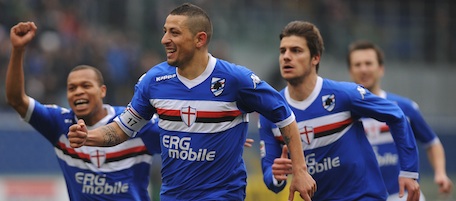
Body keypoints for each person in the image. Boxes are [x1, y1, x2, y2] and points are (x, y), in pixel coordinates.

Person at [67, 3, 316, 201]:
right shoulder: (153, 81)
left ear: (200, 39)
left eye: (174, 32)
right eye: (165, 31)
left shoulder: (235, 80)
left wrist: (301, 170)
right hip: (172, 195)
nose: (165, 39)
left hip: (221, 195)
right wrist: (88, 137)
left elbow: (285, 116)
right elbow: (122, 129)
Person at [259, 20, 421, 201]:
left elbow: (396, 115)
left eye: (296, 51)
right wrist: (276, 175)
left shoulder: (345, 95)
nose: (286, 57)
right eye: (283, 51)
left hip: (363, 196)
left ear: (315, 58)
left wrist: (409, 171)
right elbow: (269, 174)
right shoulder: (271, 112)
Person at [5, 21, 161, 201]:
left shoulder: (133, 122)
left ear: (102, 91)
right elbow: (16, 100)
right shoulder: (58, 123)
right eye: (72, 88)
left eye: (86, 85)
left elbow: (178, 140)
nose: (78, 91)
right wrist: (17, 50)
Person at [347, 40, 453, 200]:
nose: (363, 69)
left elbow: (432, 142)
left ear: (381, 68)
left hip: (404, 196)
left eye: (368, 63)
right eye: (357, 64)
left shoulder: (404, 107)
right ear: (350, 70)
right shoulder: (343, 113)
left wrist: (440, 173)